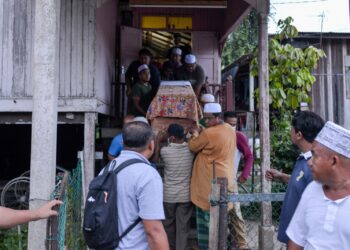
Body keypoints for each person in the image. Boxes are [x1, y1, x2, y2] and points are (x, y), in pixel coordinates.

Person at [105, 121, 169, 249]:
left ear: (122, 143)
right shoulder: (148, 174)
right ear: (151, 145)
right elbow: (153, 231)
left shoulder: (107, 169)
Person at [286, 121, 350, 249]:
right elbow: (296, 239)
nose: (310, 162)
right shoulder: (311, 190)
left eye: (315, 156)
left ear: (333, 161)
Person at [265, 111, 325, 245]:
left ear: (299, 135)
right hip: (295, 238)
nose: (290, 131)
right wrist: (282, 177)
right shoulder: (304, 160)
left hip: (303, 241)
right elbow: (304, 184)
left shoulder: (314, 164)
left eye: (292, 128)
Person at [188, 103, 236, 249]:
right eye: (205, 119)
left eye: (209, 119)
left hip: (210, 180)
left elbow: (193, 146)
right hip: (225, 175)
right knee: (221, 216)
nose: (206, 122)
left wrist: (196, 133)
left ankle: (207, 246)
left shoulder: (208, 134)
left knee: (206, 216)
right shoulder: (228, 129)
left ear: (218, 117)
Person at [153, 124, 194, 250]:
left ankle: (169, 247)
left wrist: (158, 142)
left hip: (168, 195)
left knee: (168, 225)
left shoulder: (165, 151)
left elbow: (154, 160)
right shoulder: (191, 150)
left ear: (172, 137)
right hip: (185, 195)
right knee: (183, 227)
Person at [224, 111, 253, 249]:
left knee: (236, 214)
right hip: (213, 181)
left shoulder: (238, 136)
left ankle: (242, 245)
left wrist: (245, 175)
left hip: (231, 181)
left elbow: (249, 156)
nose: (232, 128)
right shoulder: (215, 135)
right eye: (229, 124)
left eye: (234, 125)